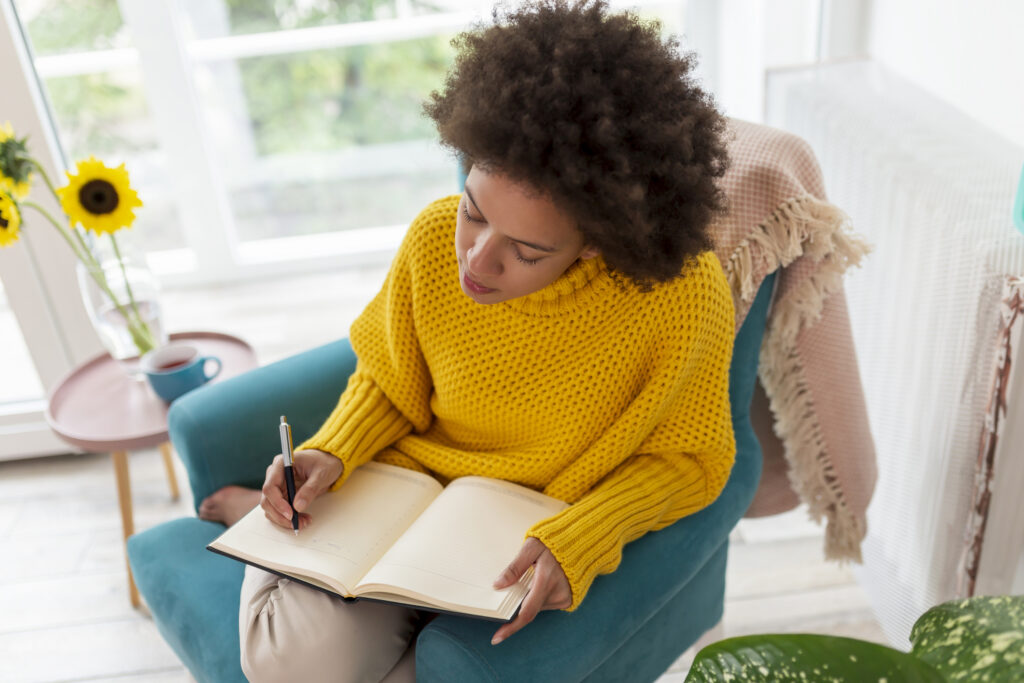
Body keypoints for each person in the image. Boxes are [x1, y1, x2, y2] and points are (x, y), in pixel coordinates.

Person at [198, 0, 736, 680]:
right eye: (474, 214)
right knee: (287, 663)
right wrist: (330, 450)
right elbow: (390, 380)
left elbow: (692, 458)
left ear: (597, 242)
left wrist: (587, 536)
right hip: (399, 489)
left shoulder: (681, 296)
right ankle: (262, 526)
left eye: (527, 251)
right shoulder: (430, 239)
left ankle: (263, 535)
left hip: (525, 522)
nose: (476, 263)